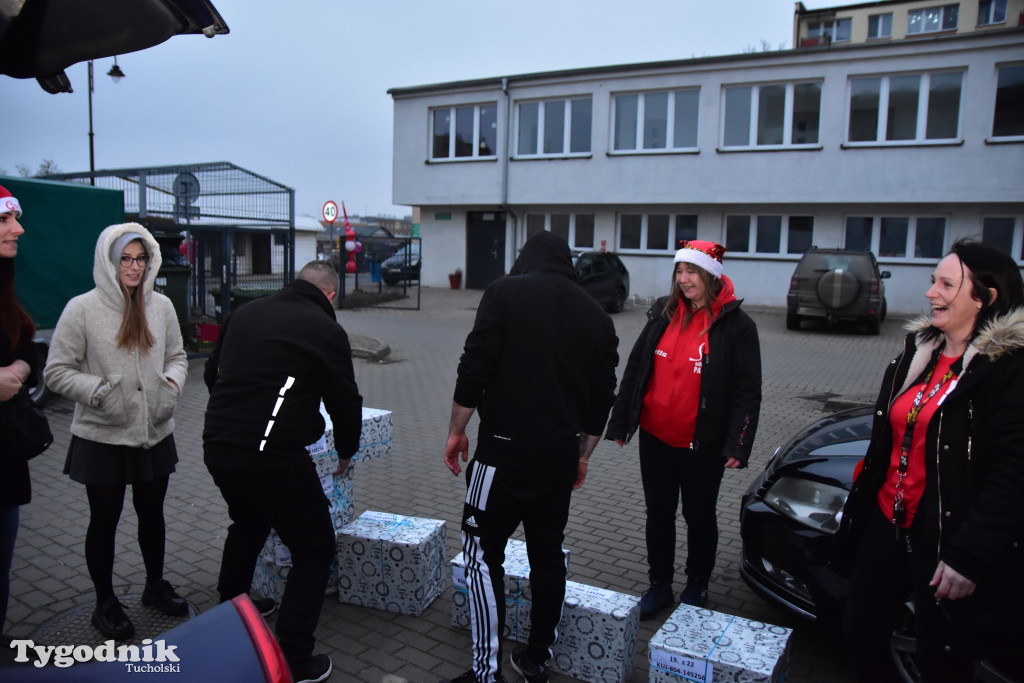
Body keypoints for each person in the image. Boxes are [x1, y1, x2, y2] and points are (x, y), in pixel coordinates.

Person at [835, 239, 1024, 683]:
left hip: (945, 539)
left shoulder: (1007, 370)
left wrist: (970, 555)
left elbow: (1014, 472)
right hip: (886, 523)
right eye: (932, 281)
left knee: (941, 657)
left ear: (986, 298)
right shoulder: (919, 353)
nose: (931, 292)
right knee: (860, 634)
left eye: (946, 284)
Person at [440, 231, 619, 683]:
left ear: (526, 258)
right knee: (547, 552)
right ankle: (537, 656)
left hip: (500, 454)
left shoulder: (504, 293)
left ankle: (486, 672)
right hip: (559, 457)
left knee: (481, 555)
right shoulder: (597, 317)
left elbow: (474, 367)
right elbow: (602, 401)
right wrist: (582, 456)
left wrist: (456, 430)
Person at [203, 260, 363, 683]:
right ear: (330, 295)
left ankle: (229, 614)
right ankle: (294, 658)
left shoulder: (244, 313)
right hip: (273, 459)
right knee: (314, 549)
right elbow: (346, 401)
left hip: (218, 446)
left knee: (249, 522)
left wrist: (236, 418)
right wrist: (346, 450)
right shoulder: (327, 330)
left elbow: (210, 373)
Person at [44, 222, 189, 640]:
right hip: (102, 435)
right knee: (104, 520)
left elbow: (178, 356)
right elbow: (56, 371)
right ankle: (105, 603)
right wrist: (98, 391)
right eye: (125, 259)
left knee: (153, 514)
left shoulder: (160, 306)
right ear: (109, 261)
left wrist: (172, 384)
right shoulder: (82, 309)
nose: (134, 267)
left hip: (154, 430)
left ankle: (154, 586)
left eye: (141, 259)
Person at [605, 240, 761, 619]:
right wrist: (623, 422)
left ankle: (696, 584)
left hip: (702, 445)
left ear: (710, 275)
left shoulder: (737, 325)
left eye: (691, 271)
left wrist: (738, 445)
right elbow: (637, 369)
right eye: (679, 271)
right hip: (657, 438)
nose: (684, 278)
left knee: (699, 515)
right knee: (658, 513)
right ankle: (660, 585)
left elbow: (746, 392)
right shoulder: (663, 312)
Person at [0, 185, 40, 636]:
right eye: (5, 221)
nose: (18, 229)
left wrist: (22, 365)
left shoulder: (7, 289)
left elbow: (29, 346)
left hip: (6, 467)